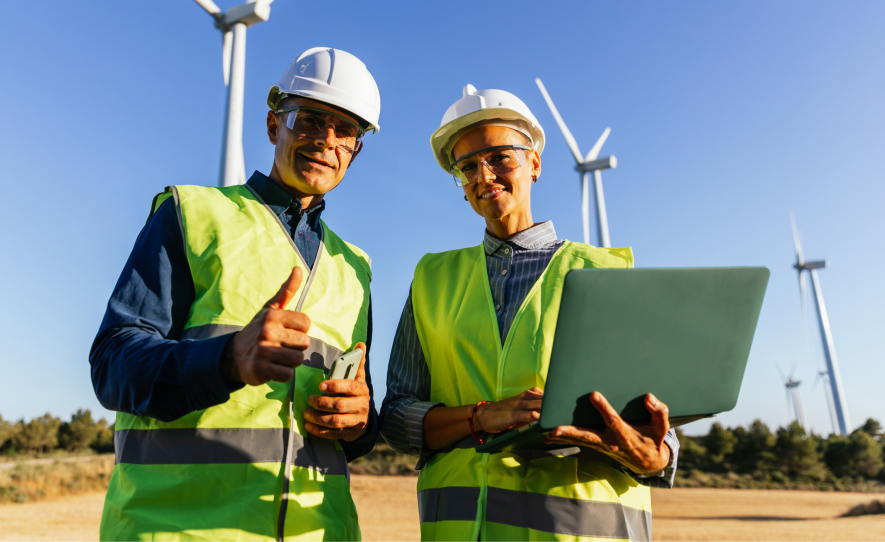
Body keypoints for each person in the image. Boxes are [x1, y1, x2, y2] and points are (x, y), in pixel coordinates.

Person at [91, 47, 382, 541]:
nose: (326, 141)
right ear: (275, 126)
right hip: (179, 530)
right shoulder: (192, 214)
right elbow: (113, 363)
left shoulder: (356, 269)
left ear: (355, 150)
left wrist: (360, 424)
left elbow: (353, 423)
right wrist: (226, 359)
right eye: (310, 120)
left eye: (345, 130)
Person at [379, 85, 680, 542]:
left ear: (534, 164)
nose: (484, 175)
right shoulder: (431, 278)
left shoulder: (605, 272)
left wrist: (658, 457)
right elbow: (398, 416)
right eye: (467, 167)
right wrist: (480, 417)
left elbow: (659, 427)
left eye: (500, 158)